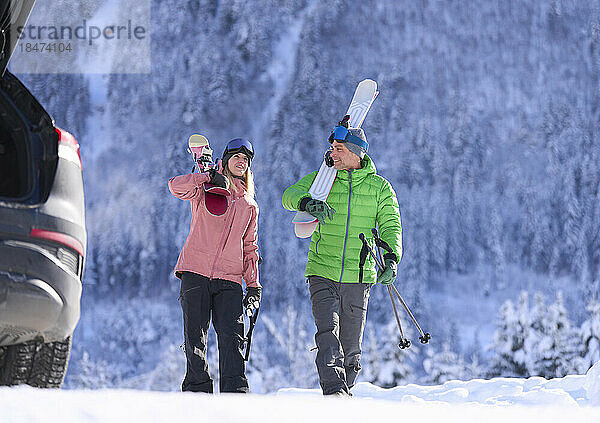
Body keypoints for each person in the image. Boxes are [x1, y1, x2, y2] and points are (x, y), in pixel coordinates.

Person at [282, 121, 402, 396]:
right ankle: (333, 388)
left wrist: (391, 259)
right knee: (327, 332)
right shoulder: (323, 179)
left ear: (355, 153)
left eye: (338, 149)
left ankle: (344, 391)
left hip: (358, 276)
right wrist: (306, 202)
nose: (332, 154)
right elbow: (288, 196)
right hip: (321, 269)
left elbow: (391, 225)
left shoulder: (379, 188)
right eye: (332, 148)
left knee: (351, 345)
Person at [168, 138, 261, 394]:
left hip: (230, 280)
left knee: (232, 340)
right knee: (195, 340)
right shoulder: (206, 187)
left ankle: (235, 395)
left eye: (246, 160)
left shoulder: (249, 206)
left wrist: (253, 284)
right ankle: (198, 394)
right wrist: (205, 176)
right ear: (226, 160)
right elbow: (175, 187)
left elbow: (250, 247)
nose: (241, 162)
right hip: (195, 273)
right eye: (236, 157)